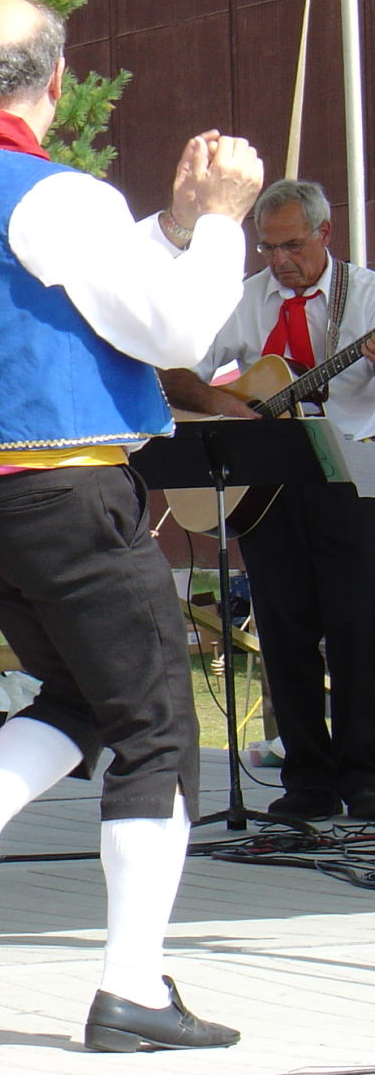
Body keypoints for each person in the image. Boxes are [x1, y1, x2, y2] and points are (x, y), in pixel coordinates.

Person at [0, 0, 264, 1053]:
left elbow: (60, 285)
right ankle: (131, 986)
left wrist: (175, 227)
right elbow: (179, 324)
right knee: (156, 727)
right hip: (62, 493)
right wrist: (225, 218)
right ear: (57, 81)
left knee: (84, 693)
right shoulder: (60, 195)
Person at [160, 179, 375, 823]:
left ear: (325, 235)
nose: (280, 259)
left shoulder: (364, 296)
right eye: (269, 246)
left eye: (293, 245)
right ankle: (307, 778)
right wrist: (228, 405)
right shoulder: (245, 301)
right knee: (284, 631)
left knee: (358, 631)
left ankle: (366, 777)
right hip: (268, 489)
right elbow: (176, 370)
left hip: (351, 483)